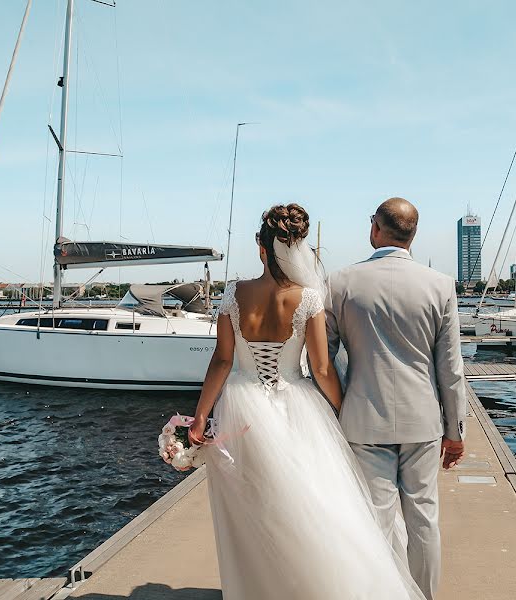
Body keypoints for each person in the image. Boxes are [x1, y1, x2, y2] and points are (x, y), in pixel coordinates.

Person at [188, 203, 426, 600]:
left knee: (251, 509)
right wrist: (342, 406)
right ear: (296, 248)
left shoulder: (234, 294)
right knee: (309, 504)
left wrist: (199, 418)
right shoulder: (309, 299)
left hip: (243, 407)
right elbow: (321, 367)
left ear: (262, 248)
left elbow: (223, 360)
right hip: (296, 406)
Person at [326, 197, 468, 600]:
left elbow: (325, 359)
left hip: (362, 419)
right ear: (414, 234)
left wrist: (338, 408)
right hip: (423, 421)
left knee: (377, 519)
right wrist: (455, 430)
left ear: (375, 228)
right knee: (424, 519)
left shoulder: (340, 283)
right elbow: (451, 368)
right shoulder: (440, 285)